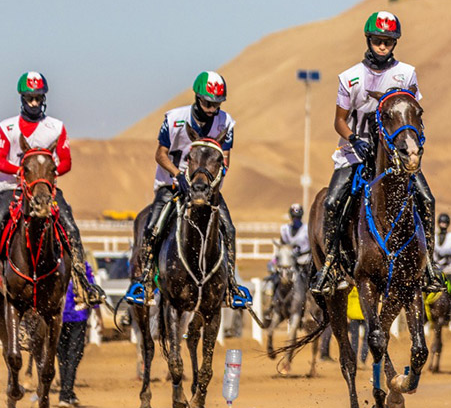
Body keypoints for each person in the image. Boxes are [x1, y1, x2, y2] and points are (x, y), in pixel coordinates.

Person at [312, 11, 443, 296]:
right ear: (368, 40)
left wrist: (413, 142)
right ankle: (330, 266)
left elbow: (413, 113)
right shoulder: (350, 78)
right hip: (354, 155)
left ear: (395, 43)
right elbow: (339, 120)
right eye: (378, 40)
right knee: (333, 202)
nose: (383, 46)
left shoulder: (406, 74)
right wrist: (353, 139)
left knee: (428, 199)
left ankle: (429, 265)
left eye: (388, 41)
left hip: (394, 157)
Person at [124, 71, 252, 308]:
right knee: (152, 227)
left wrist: (214, 182)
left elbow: (225, 159)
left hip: (206, 189)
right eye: (207, 103)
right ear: (197, 97)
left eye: (216, 104)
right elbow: (160, 154)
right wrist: (177, 175)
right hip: (171, 185)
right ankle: (144, 283)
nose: (212, 109)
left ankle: (231, 286)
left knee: (230, 229)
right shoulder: (174, 119)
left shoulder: (227, 123)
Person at [0, 72, 105, 306]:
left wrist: (45, 174)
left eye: (38, 98)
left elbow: (66, 161)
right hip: (11, 188)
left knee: (70, 226)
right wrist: (23, 171)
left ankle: (82, 284)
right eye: (30, 98)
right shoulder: (6, 128)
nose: (34, 103)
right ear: (22, 99)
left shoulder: (56, 127)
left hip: (46, 190)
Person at [57, 260, 97, 408]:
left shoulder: (56, 262)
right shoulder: (83, 265)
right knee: (74, 354)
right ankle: (65, 394)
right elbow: (91, 287)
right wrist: (97, 312)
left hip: (60, 315)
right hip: (77, 315)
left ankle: (68, 392)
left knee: (64, 355)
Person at [280, 203, 311, 274]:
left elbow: (312, 247)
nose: (295, 219)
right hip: (288, 261)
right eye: (294, 217)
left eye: (298, 217)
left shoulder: (307, 230)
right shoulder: (285, 229)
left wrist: (301, 253)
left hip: (304, 260)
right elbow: (282, 245)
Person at [432, 213, 451, 288]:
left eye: (445, 223)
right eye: (441, 222)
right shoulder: (433, 237)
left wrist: (448, 256)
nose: (443, 224)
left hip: (449, 266)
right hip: (437, 267)